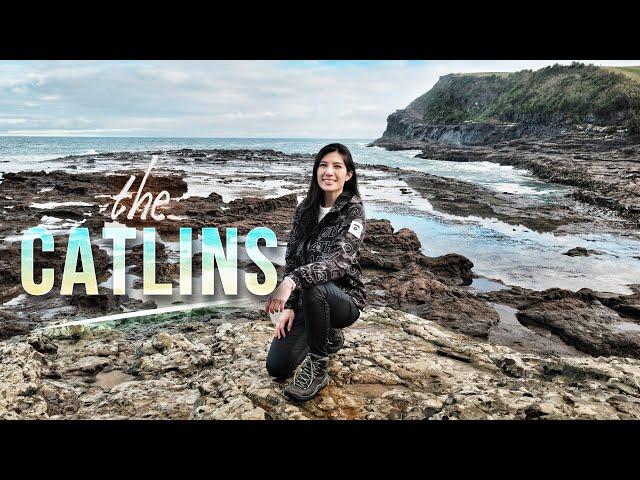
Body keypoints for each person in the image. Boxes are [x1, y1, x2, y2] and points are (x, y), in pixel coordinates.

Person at [264, 143, 366, 402]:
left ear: (348, 174)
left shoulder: (353, 211)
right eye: (323, 165)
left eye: (336, 166)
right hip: (309, 300)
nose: (328, 172)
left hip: (343, 301)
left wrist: (292, 281)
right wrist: (290, 306)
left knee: (316, 286)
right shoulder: (305, 209)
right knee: (277, 367)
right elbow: (293, 257)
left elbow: (339, 262)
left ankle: (318, 366)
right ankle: (328, 337)